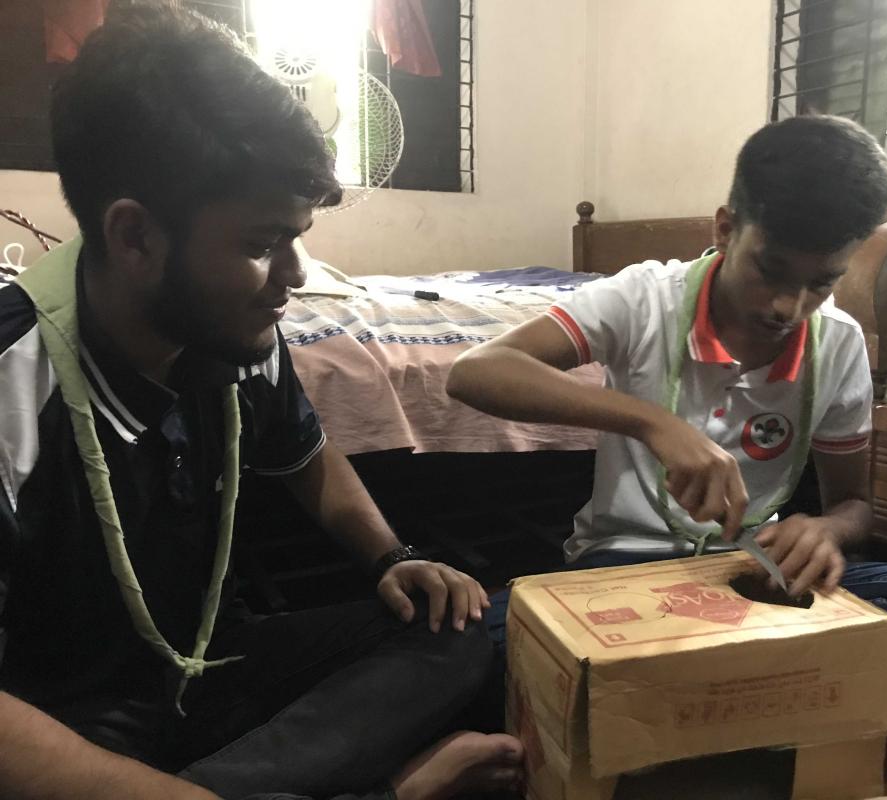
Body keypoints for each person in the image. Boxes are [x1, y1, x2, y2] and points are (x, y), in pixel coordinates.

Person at [0, 4, 521, 799]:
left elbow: (307, 455)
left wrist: (392, 556)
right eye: (260, 243)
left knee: (456, 632)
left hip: (206, 673)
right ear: (134, 238)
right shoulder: (15, 375)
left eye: (297, 235)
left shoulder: (235, 330)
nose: (296, 275)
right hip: (61, 728)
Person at [447, 115, 887, 678]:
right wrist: (653, 423)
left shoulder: (838, 343)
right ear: (724, 229)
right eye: (770, 270)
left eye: (822, 282)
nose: (789, 306)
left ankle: (685, 678)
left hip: (752, 571)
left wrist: (825, 531)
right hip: (622, 564)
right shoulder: (644, 299)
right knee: (465, 641)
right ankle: (762, 677)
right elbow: (477, 371)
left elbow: (854, 505)